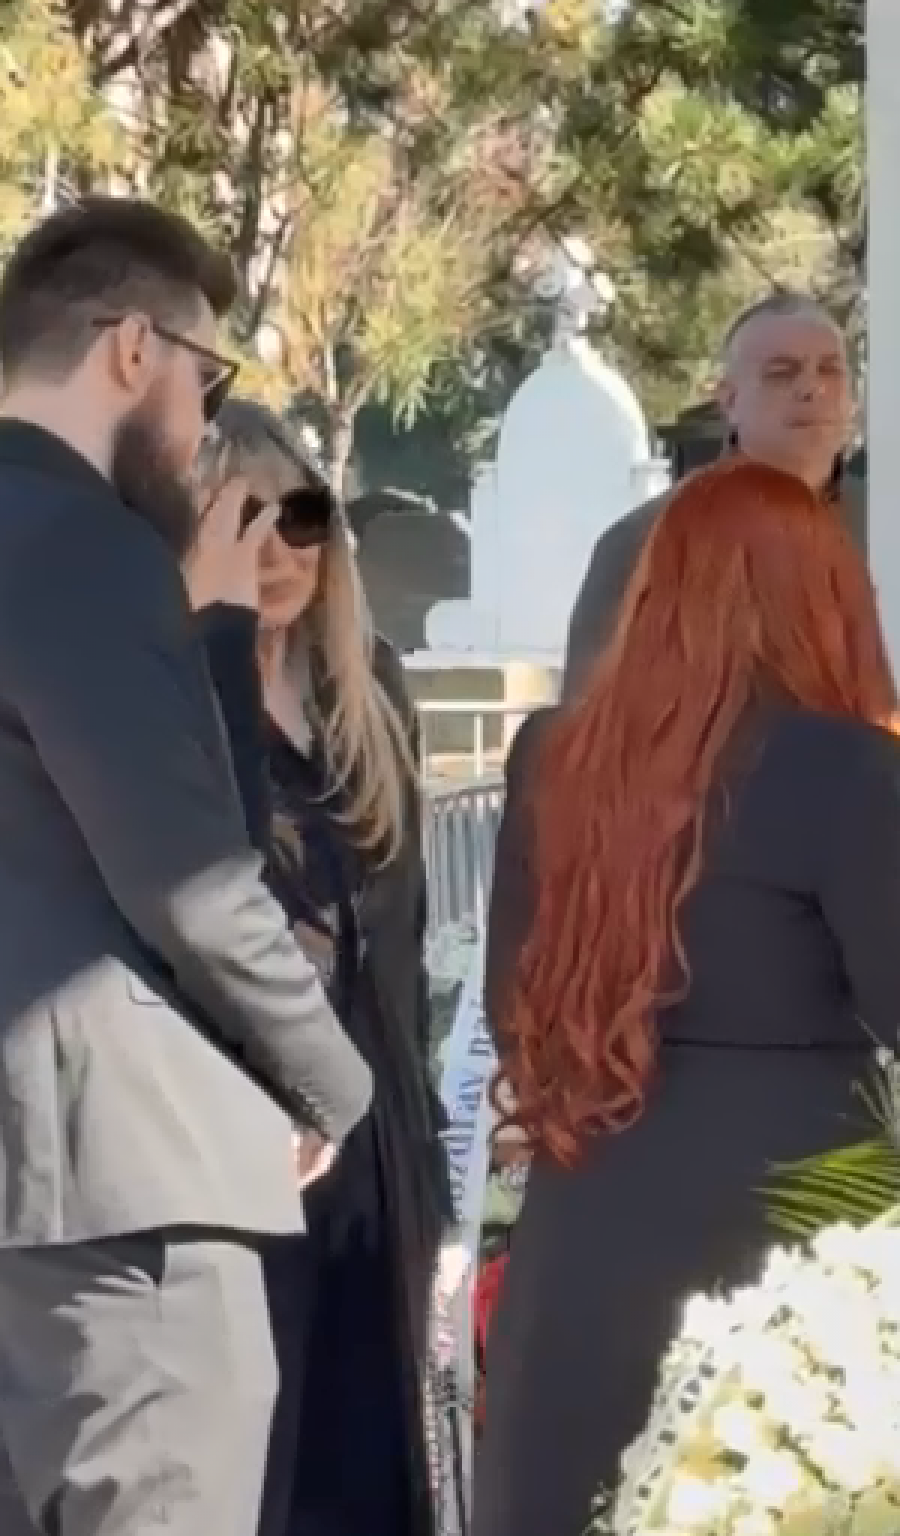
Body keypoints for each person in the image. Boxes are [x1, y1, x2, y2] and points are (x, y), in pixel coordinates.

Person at [0, 201, 372, 1536]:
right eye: (204, 380)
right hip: (122, 1201)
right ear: (131, 350)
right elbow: (193, 882)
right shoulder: (85, 546)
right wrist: (329, 1078)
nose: (201, 421)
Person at [475, 460, 900, 1536]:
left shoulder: (551, 757)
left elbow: (511, 999)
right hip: (789, 1233)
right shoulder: (849, 772)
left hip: (588, 1211)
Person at [187, 398, 460, 1536]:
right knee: (260, 1478)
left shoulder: (372, 687)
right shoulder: (174, 698)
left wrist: (427, 1162)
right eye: (239, 518)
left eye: (299, 516)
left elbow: (404, 942)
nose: (277, 550)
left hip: (379, 1151)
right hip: (247, 1150)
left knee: (377, 1474)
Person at [563, 293, 864, 698]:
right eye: (781, 373)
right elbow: (592, 716)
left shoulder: (884, 524)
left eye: (830, 370)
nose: (811, 388)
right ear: (730, 401)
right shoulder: (647, 543)